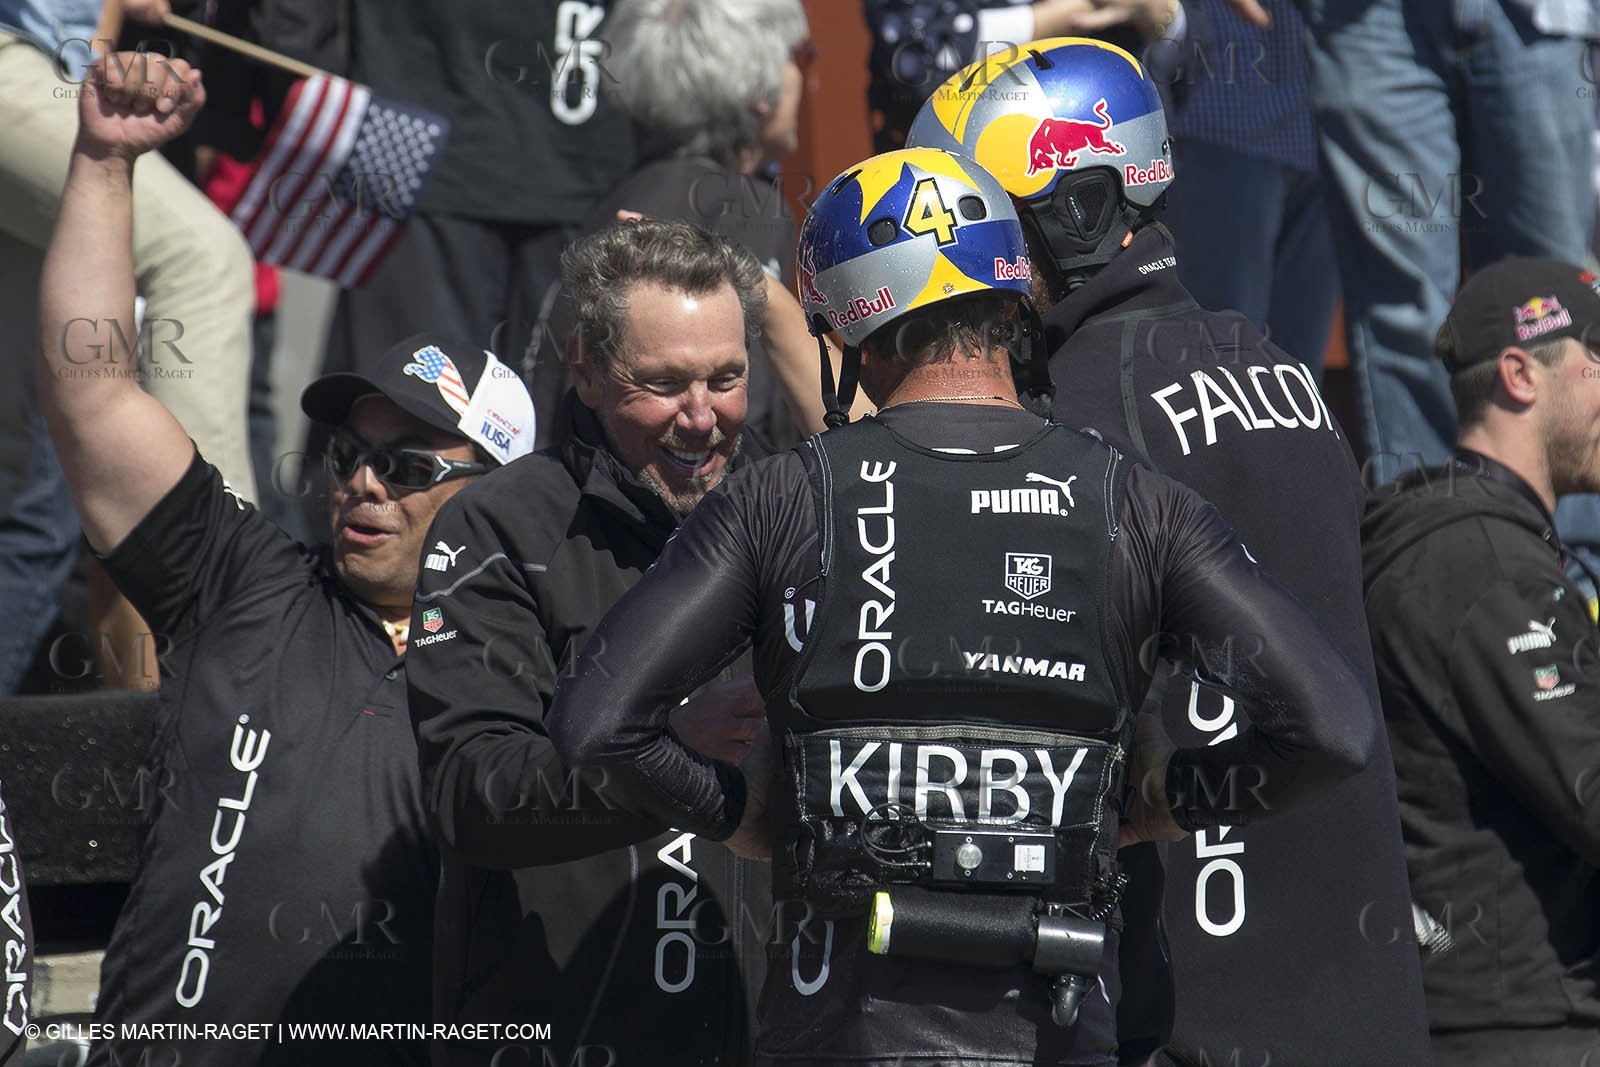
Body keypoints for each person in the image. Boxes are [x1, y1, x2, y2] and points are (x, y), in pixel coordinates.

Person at [547, 146, 1375, 1067]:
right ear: (1016, 299)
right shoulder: (1136, 502)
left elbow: (596, 721)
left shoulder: (779, 499)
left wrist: (741, 814)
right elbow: (1333, 728)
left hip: (835, 1033)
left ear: (850, 331)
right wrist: (1167, 802)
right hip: (1062, 1032)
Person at [904, 38, 1429, 1064]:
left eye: (977, 225)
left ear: (1076, 211)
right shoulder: (1281, 368)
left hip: (1187, 1012)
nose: (959, 264)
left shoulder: (1069, 420)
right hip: (1363, 1001)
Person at [37, 54, 535, 1066]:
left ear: (505, 492)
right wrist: (102, 160)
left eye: (403, 464)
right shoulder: (248, 580)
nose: (359, 484)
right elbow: (92, 393)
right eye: (351, 455)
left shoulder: (541, 670)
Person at [405, 219, 776, 1067]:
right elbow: (470, 791)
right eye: (661, 384)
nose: (700, 418)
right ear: (583, 366)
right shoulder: (501, 522)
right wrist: (656, 752)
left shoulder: (783, 512)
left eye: (726, 378)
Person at [1363, 257, 1600, 1065]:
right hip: (1519, 1026)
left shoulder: (1467, 539)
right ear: (1519, 375)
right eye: (1596, 364)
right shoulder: (1487, 568)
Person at [1299, 0, 1600, 571]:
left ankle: (1573, 579)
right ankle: (1438, 572)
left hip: (1540, 16)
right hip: (1368, 17)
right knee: (1404, 314)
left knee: (1561, 311)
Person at [547, 0, 816, 447]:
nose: (803, 77)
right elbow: (750, 411)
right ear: (758, 90)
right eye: (799, 57)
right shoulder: (748, 206)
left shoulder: (610, 203)